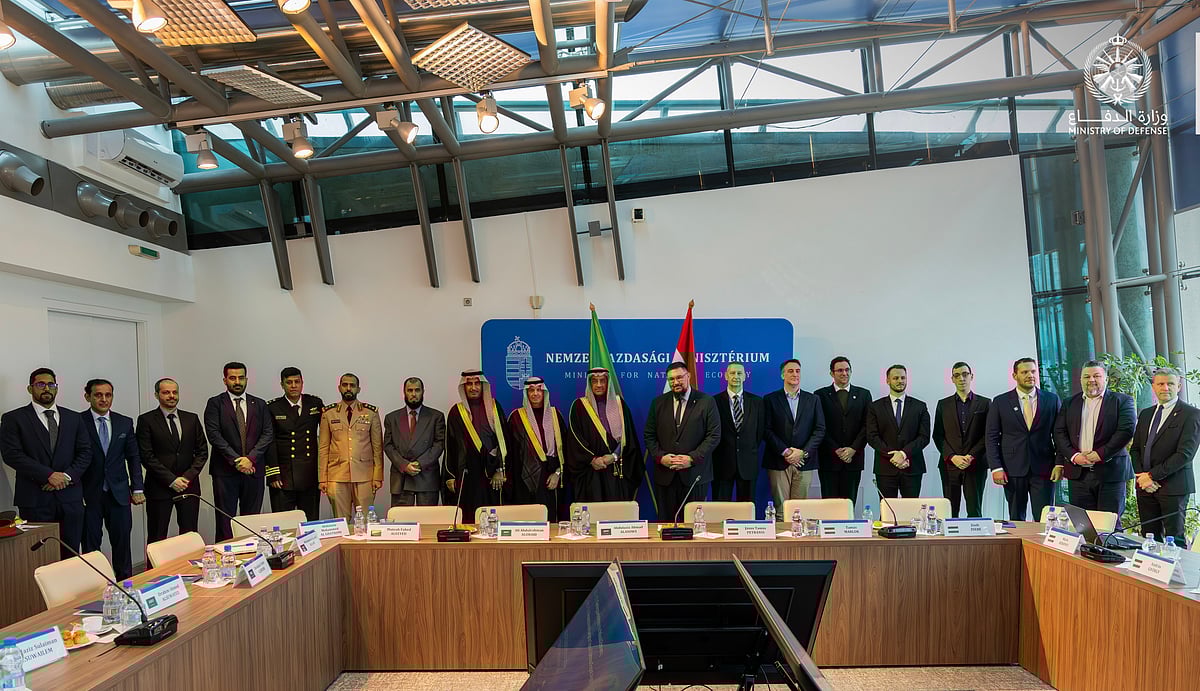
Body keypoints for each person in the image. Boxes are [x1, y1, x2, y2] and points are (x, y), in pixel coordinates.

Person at [0, 368, 91, 558]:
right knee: (39, 557)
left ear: (57, 388)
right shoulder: (13, 418)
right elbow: (11, 455)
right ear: (30, 388)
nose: (46, 388)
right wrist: (48, 475)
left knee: (71, 555)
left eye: (51, 384)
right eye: (40, 384)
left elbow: (85, 452)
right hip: (35, 499)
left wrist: (66, 476)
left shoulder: (74, 418)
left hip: (70, 498)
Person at [1052, 360, 1136, 515]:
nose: (1091, 380)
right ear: (1080, 380)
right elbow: (1059, 432)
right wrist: (1073, 456)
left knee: (1109, 523)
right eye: (1086, 376)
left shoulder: (1122, 401)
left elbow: (1126, 430)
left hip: (1111, 473)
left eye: (1096, 376)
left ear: (1106, 379)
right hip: (1078, 475)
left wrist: (1100, 454)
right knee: (1082, 523)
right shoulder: (1069, 403)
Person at [80, 379, 144, 581]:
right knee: (90, 546)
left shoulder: (124, 422)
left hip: (119, 493)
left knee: (122, 544)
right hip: (89, 494)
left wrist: (138, 488)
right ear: (88, 397)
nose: (104, 399)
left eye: (108, 395)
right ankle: (94, 587)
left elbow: (133, 457)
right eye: (98, 395)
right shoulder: (77, 421)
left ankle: (126, 586)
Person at [985, 357, 1062, 521]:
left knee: (1044, 518)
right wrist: (996, 467)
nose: (1030, 375)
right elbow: (991, 437)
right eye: (1025, 372)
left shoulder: (1052, 399)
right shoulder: (1000, 402)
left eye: (1033, 371)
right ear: (1015, 375)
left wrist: (1059, 463)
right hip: (1012, 468)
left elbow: (1060, 435)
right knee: (1016, 518)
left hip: (1044, 468)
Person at [204, 361, 274, 541]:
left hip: (254, 470)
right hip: (225, 472)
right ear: (225, 380)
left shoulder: (259, 404)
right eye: (232, 378)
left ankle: (250, 554)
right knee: (225, 521)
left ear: (246, 379)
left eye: (241, 378)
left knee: (251, 521)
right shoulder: (215, 403)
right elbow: (214, 435)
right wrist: (238, 461)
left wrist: (250, 459)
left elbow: (267, 433)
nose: (237, 382)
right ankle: (226, 555)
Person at [1130, 368, 1200, 544]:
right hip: (1145, 487)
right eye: (1160, 384)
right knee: (1148, 539)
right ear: (1153, 386)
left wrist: (1151, 476)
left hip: (1173, 488)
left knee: (1174, 540)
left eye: (1170, 383)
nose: (1165, 388)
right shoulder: (1146, 414)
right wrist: (1142, 478)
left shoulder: (1191, 414)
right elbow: (1135, 449)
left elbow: (1185, 454)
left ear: (1179, 386)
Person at [644, 362, 721, 522]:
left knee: (695, 525)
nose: (675, 382)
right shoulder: (658, 403)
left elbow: (714, 436)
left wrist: (692, 458)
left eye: (679, 377)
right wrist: (661, 457)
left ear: (688, 376)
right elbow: (649, 435)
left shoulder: (706, 401)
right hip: (666, 475)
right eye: (671, 379)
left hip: (695, 475)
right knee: (666, 525)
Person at [137, 378, 209, 543]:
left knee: (190, 535)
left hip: (188, 486)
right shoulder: (146, 420)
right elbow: (146, 455)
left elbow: (202, 452)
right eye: (166, 392)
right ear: (157, 395)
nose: (171, 396)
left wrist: (187, 477)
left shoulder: (191, 418)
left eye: (174, 392)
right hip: (159, 487)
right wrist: (171, 480)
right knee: (157, 537)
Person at [565, 368, 643, 503]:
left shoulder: (619, 404)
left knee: (615, 512)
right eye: (595, 381)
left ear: (608, 383)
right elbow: (574, 440)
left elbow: (629, 437)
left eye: (602, 381)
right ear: (590, 384)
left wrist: (614, 456)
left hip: (615, 469)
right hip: (590, 472)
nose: (599, 385)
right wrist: (592, 459)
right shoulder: (578, 406)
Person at [443, 370, 508, 520]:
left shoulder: (495, 407)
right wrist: (450, 476)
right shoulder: (456, 412)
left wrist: (500, 470)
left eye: (477, 383)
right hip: (467, 475)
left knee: (493, 517)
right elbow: (450, 447)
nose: (473, 387)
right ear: (463, 387)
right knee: (468, 516)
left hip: (492, 473)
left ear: (482, 385)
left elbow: (505, 441)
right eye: (469, 384)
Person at [318, 373, 383, 520]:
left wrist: (377, 476)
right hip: (337, 475)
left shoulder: (370, 413)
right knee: (341, 522)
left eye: (352, 385)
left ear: (358, 389)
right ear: (339, 388)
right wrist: (322, 478)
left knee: (366, 520)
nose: (348, 388)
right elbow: (323, 448)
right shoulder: (329, 413)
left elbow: (377, 447)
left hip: (364, 475)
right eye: (345, 385)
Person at [762, 359, 825, 508]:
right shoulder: (770, 399)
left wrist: (803, 453)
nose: (795, 374)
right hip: (778, 461)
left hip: (804, 462)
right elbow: (766, 429)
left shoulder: (813, 399)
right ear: (782, 375)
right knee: (781, 509)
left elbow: (820, 429)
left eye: (798, 371)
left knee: (799, 510)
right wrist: (786, 451)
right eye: (790, 371)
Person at [932, 362, 991, 518]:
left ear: (972, 376)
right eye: (957, 375)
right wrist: (952, 457)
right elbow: (938, 435)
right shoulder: (943, 404)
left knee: (974, 510)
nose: (961, 378)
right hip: (949, 465)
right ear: (952, 379)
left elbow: (988, 435)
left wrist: (971, 456)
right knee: (950, 511)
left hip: (975, 465)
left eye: (965, 374)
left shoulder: (985, 403)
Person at [264, 367, 323, 521]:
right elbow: (269, 441)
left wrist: (324, 474)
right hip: (283, 476)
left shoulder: (315, 403)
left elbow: (325, 437)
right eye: (289, 382)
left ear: (302, 383)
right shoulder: (272, 407)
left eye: (297, 382)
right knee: (283, 523)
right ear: (282, 385)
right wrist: (273, 474)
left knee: (311, 522)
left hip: (310, 474)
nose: (293, 386)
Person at [865, 364, 930, 499]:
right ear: (887, 380)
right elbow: (872, 436)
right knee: (887, 510)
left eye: (903, 378)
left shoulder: (920, 406)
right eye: (895, 378)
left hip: (912, 467)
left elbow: (924, 437)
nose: (900, 381)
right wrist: (894, 456)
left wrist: (903, 454)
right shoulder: (875, 407)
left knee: (911, 509)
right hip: (885, 468)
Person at [506, 377, 566, 521]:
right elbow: (511, 453)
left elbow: (566, 449)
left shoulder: (555, 415)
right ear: (526, 393)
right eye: (531, 390)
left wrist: (558, 473)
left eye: (539, 390)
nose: (535, 394)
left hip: (551, 477)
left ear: (544, 392)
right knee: (526, 520)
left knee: (549, 519)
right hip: (524, 480)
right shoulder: (516, 417)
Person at [814, 356, 871, 506]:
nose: (844, 373)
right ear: (831, 373)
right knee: (829, 505)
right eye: (839, 370)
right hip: (829, 459)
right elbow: (819, 426)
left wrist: (853, 449)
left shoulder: (864, 394)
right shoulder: (820, 395)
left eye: (847, 370)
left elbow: (868, 426)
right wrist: (835, 449)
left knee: (849, 504)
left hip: (853, 459)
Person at [383, 377, 445, 508]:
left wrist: (419, 464)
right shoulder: (391, 418)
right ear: (404, 392)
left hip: (426, 477)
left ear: (423, 392)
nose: (413, 394)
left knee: (427, 518)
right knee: (401, 519)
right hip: (401, 477)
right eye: (410, 390)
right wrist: (404, 465)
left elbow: (439, 444)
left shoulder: (436, 417)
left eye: (417, 390)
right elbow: (388, 446)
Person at [712, 362, 765, 502]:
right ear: (726, 376)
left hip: (748, 464)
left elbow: (759, 432)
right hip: (722, 464)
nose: (736, 376)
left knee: (747, 509)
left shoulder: (757, 402)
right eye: (732, 373)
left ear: (745, 376)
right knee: (720, 509)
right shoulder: (714, 401)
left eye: (739, 373)